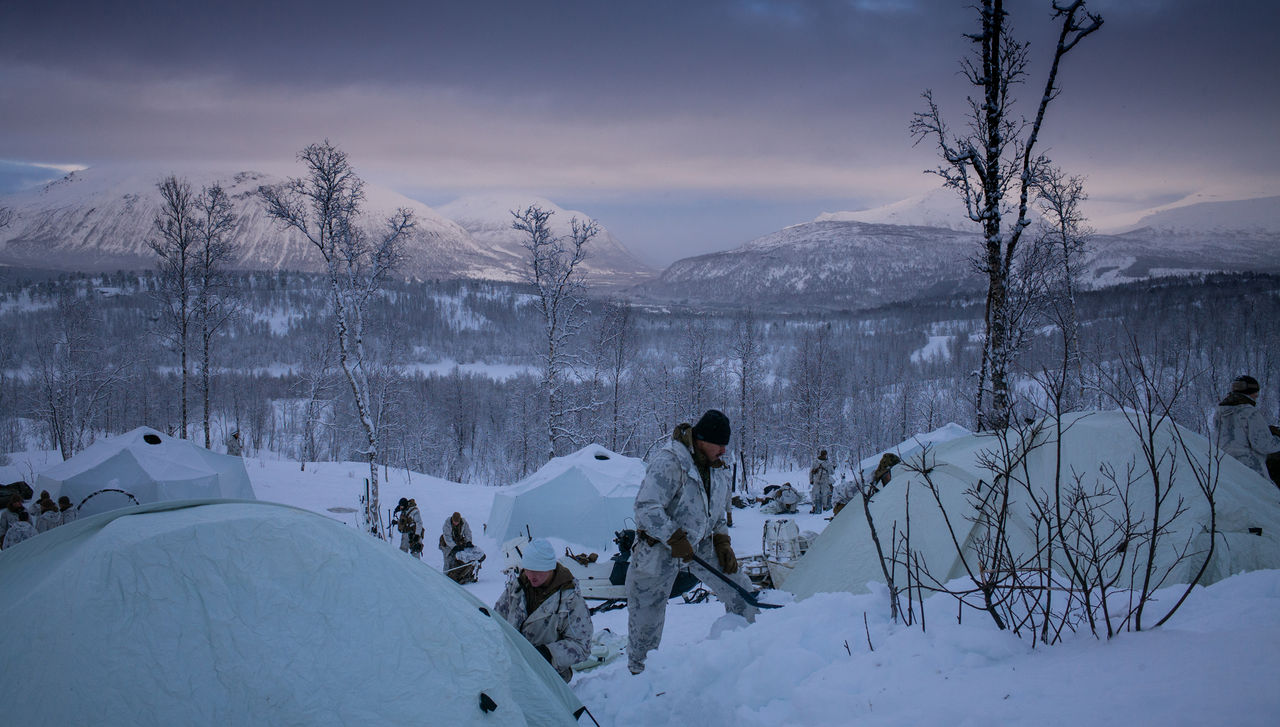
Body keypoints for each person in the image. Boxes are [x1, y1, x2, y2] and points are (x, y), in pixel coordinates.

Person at [626, 409, 758, 675]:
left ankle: (749, 650)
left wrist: (722, 541)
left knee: (740, 590)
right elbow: (646, 507)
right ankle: (640, 676)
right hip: (657, 548)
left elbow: (717, 512)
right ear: (701, 439)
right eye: (718, 444)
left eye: (725, 445)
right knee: (646, 619)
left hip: (699, 544)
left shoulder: (718, 468)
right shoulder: (670, 461)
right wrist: (673, 536)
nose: (723, 450)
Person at [493, 538, 593, 683]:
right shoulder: (517, 588)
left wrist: (547, 654)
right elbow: (496, 620)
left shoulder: (569, 599)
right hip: (510, 669)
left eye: (538, 571)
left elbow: (582, 646)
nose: (532, 576)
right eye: (528, 569)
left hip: (546, 677)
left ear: (550, 568)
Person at [1213, 375, 1280, 487]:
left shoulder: (1220, 412)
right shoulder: (1250, 412)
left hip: (1224, 466)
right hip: (1251, 468)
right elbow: (1264, 445)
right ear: (1251, 392)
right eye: (1256, 393)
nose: (1256, 397)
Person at [809, 449, 834, 513]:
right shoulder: (828, 463)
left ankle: (815, 507)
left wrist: (811, 480)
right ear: (826, 455)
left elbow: (811, 472)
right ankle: (825, 508)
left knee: (815, 494)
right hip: (824, 480)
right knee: (825, 494)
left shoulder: (815, 462)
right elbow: (832, 472)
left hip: (816, 480)